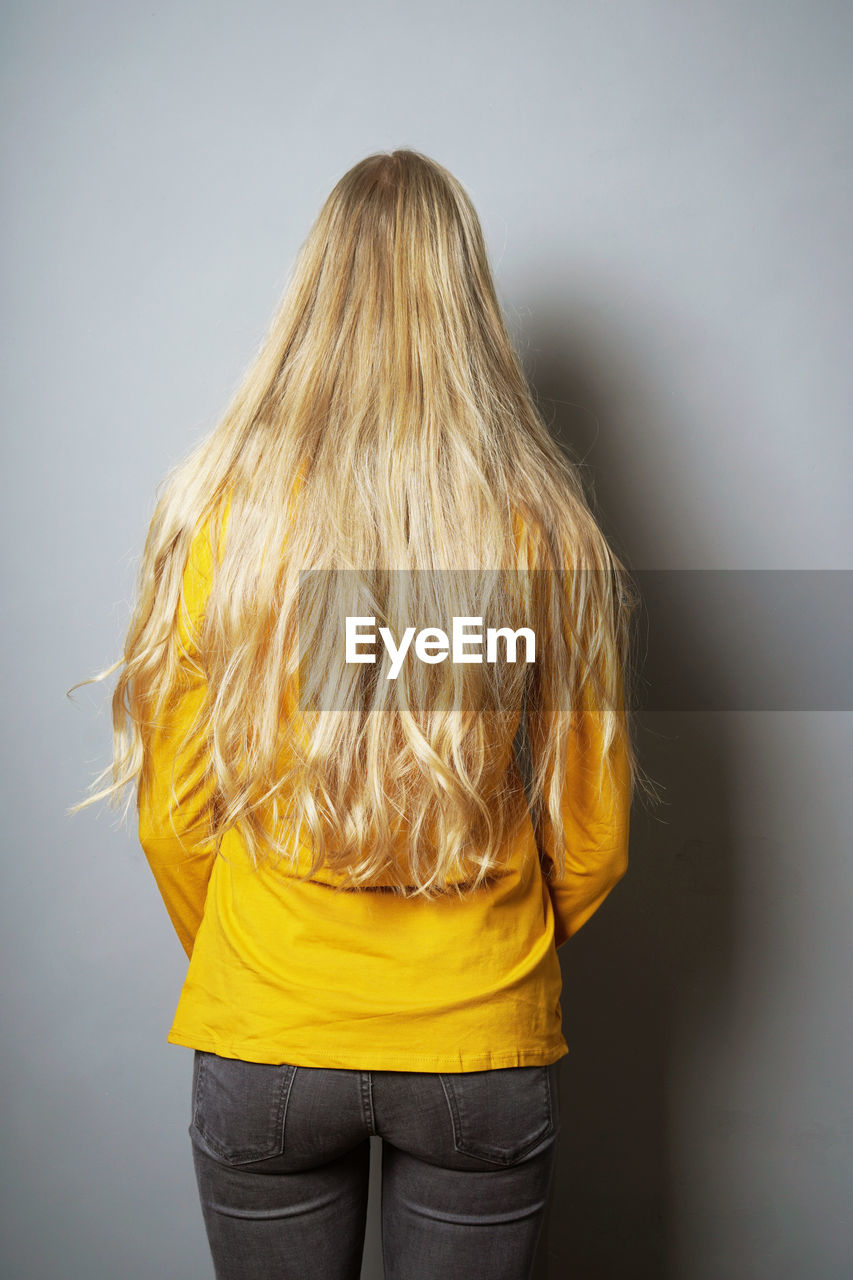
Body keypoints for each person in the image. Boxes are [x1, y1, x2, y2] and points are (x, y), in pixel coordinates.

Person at [70, 149, 654, 1280]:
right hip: (479, 1039)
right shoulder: (544, 531)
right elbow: (594, 839)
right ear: (467, 304)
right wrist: (484, 957)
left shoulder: (220, 516)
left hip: (266, 1035)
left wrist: (262, 965)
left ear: (311, 294)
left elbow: (171, 817)